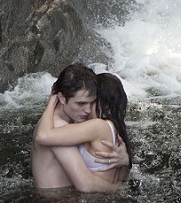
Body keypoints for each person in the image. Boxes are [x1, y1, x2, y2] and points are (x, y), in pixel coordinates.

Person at [30, 63, 131, 192]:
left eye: (91, 103)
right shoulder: (57, 127)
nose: (87, 110)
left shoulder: (73, 124)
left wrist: (125, 161)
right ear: (61, 98)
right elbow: (86, 184)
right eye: (81, 103)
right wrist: (117, 189)